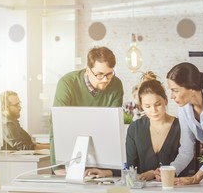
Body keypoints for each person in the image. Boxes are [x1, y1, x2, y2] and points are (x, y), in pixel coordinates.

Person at [50, 46, 124, 175]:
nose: (105, 79)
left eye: (109, 74)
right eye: (100, 74)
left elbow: (111, 129)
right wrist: (58, 167)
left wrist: (109, 170)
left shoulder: (116, 85)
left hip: (102, 160)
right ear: (88, 70)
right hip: (69, 157)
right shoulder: (67, 83)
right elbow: (57, 127)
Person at [125, 72, 194, 181]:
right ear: (141, 106)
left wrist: (155, 173)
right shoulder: (135, 128)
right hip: (144, 191)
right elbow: (130, 167)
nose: (153, 110)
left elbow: (190, 164)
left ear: (166, 100)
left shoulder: (181, 126)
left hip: (177, 189)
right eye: (147, 106)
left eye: (158, 104)